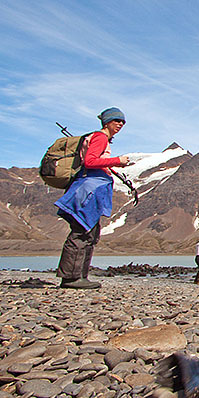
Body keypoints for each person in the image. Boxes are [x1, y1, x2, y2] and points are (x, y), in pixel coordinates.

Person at [54, 107, 131, 289]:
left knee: (90, 232)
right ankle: (71, 278)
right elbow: (90, 161)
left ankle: (80, 275)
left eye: (122, 122)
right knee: (82, 231)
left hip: (91, 189)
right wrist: (116, 160)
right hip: (88, 190)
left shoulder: (101, 138)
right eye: (116, 121)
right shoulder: (100, 137)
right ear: (107, 122)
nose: (120, 124)